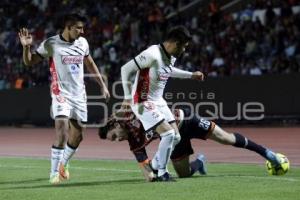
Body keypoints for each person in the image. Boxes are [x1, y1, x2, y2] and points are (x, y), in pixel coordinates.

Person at [18, 13, 110, 184]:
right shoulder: (51, 44)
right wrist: (26, 48)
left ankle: (63, 163)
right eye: (78, 28)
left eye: (82, 28)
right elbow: (29, 62)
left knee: (78, 136)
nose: (82, 31)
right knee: (61, 132)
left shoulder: (82, 43)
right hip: (60, 94)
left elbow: (90, 63)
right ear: (68, 27)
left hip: (79, 95)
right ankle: (53, 173)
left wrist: (102, 84)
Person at [98, 108, 284, 181]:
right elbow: (143, 165)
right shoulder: (133, 141)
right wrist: (150, 175)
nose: (117, 141)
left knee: (226, 138)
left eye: (114, 136)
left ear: (115, 125)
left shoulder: (132, 113)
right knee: (184, 174)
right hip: (173, 139)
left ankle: (267, 154)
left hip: (185, 120)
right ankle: (200, 163)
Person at [120, 25, 204, 181]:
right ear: (175, 43)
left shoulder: (170, 56)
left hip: (159, 101)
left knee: (176, 137)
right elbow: (126, 69)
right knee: (168, 133)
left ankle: (154, 165)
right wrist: (126, 97)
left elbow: (168, 70)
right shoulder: (152, 54)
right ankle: (162, 172)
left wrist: (191, 75)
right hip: (142, 101)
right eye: (184, 46)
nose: (184, 50)